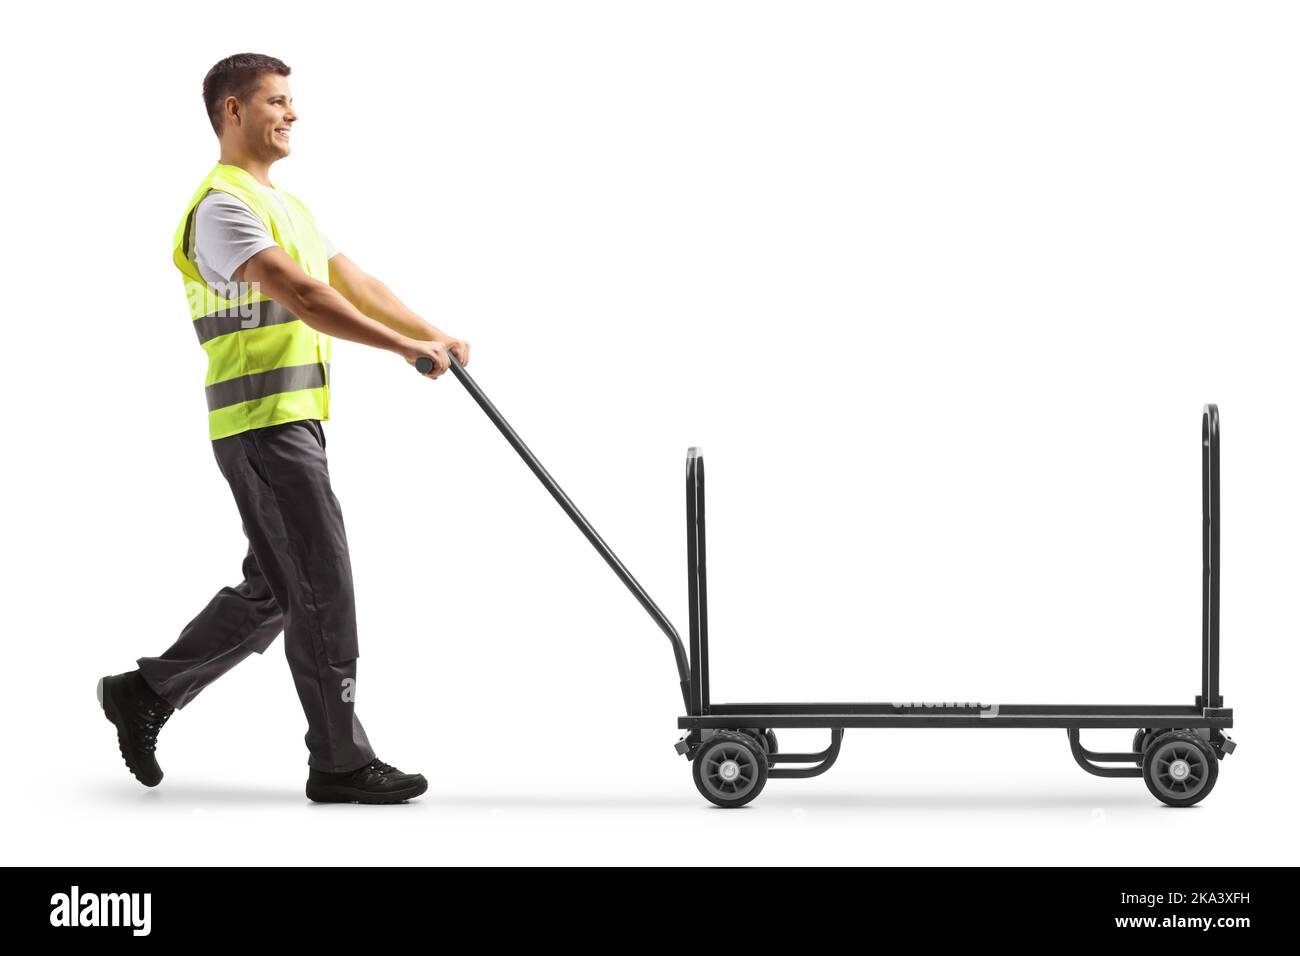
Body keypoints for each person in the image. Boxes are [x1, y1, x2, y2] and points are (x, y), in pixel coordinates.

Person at [97, 53, 467, 804]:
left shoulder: (285, 205)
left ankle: (146, 692)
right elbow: (300, 292)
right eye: (276, 101)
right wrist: (403, 350)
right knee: (321, 583)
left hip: (293, 421)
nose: (291, 113)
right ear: (233, 111)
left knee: (277, 585)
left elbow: (352, 282)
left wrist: (433, 332)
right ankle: (338, 759)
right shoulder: (222, 207)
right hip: (263, 425)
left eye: (292, 101)